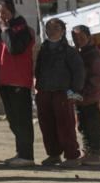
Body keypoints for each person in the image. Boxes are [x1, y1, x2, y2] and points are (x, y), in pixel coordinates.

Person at [0, 0, 36, 166]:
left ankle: (27, 156)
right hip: (4, 82)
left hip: (19, 81)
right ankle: (20, 153)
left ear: (12, 12)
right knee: (13, 120)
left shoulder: (22, 29)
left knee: (22, 120)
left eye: (3, 12)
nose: (0, 16)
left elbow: (14, 48)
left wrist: (4, 29)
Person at [34, 17, 84, 167]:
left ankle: (72, 156)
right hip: (44, 92)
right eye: (48, 28)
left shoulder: (69, 51)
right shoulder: (43, 50)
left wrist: (74, 91)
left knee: (66, 125)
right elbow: (38, 69)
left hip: (63, 92)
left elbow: (79, 72)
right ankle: (53, 155)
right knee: (47, 125)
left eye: (56, 28)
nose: (51, 31)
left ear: (62, 31)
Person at [71, 25, 100, 165]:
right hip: (80, 97)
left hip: (89, 96)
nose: (78, 40)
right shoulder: (79, 53)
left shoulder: (92, 54)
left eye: (81, 37)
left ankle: (96, 154)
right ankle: (87, 151)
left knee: (93, 125)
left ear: (89, 37)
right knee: (83, 125)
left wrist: (84, 93)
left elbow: (96, 78)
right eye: (75, 38)